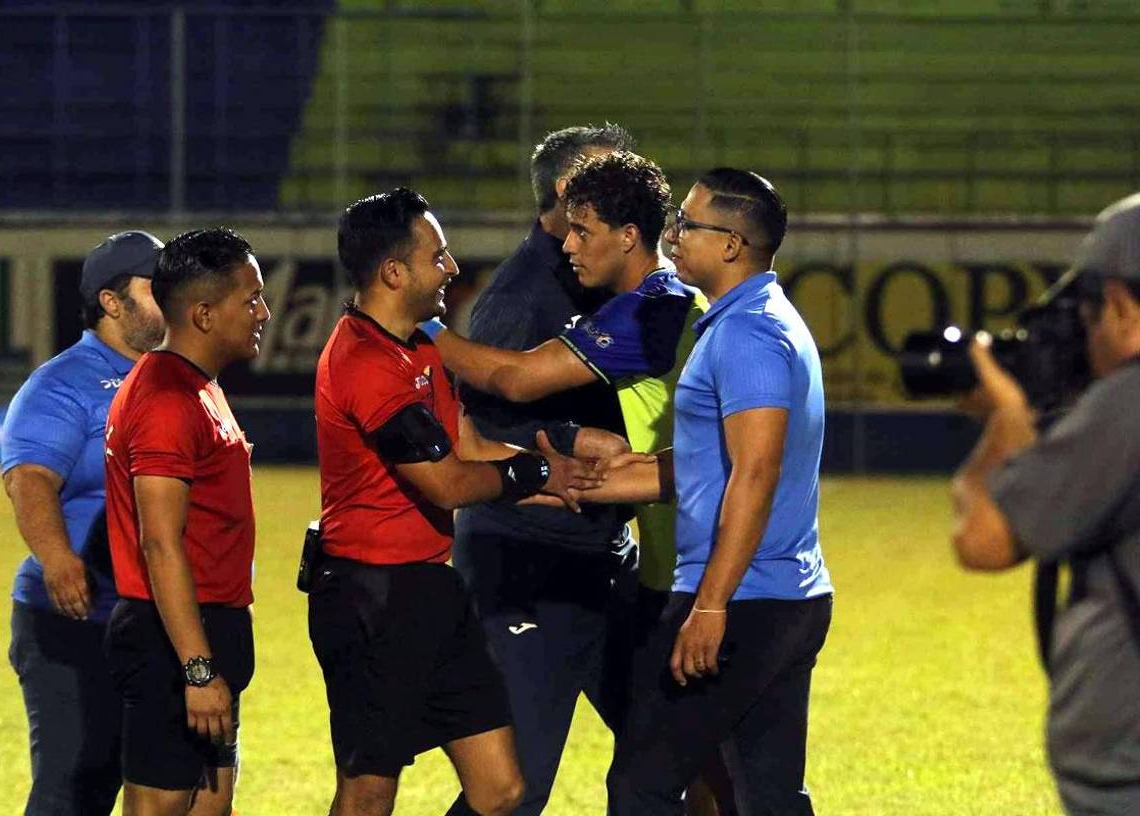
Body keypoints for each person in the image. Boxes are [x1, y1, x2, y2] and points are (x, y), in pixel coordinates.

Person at [309, 187, 598, 816]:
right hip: (368, 598)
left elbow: (468, 447)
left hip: (429, 589)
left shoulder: (419, 345)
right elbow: (446, 482)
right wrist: (537, 472)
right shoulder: (364, 360)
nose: (452, 267)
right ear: (394, 272)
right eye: (437, 256)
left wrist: (564, 476)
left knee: (501, 789)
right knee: (368, 793)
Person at [580, 169, 834, 815]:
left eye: (688, 224)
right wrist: (589, 481)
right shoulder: (754, 321)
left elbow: (755, 472)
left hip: (743, 602)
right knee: (768, 797)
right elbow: (710, 462)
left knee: (642, 785)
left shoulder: (749, 335)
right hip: (783, 596)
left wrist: (711, 605)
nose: (673, 236)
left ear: (731, 244)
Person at [434, 124, 641, 816]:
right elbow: (474, 429)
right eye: (610, 177)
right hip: (526, 563)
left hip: (606, 558)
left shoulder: (618, 282)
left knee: (667, 756)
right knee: (513, 791)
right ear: (567, 192)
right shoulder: (521, 297)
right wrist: (568, 441)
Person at [949, 193, 1140, 815]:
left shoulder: (1127, 405)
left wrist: (1009, 418)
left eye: (1088, 313)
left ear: (1121, 305)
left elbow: (983, 540)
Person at [103, 227, 270, 816]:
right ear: (203, 314)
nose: (263, 313)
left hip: (206, 627)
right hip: (171, 639)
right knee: (161, 806)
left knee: (210, 805)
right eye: (251, 299)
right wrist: (198, 669)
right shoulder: (167, 399)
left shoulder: (197, 385)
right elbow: (159, 543)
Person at [1, 230, 165, 815]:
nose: (173, 296)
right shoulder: (63, 382)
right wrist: (57, 559)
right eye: (156, 287)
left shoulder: (181, 377)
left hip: (157, 620)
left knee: (167, 791)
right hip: (74, 619)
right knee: (73, 792)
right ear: (112, 303)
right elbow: (29, 477)